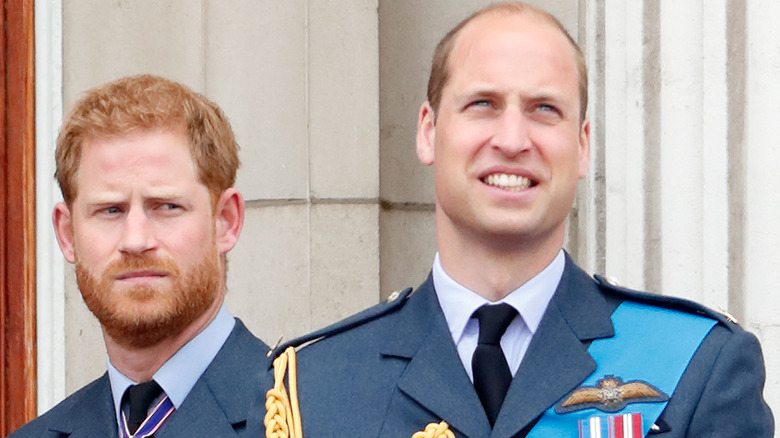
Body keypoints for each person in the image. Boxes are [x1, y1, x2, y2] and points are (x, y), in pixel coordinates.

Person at [265, 3, 774, 437]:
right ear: (428, 131)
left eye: (544, 109)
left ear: (581, 146)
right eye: (483, 104)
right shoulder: (314, 385)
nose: (512, 139)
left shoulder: (696, 365)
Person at [12, 75, 271, 437]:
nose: (135, 240)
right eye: (110, 210)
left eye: (166, 206)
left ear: (225, 221)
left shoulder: (313, 420)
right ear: (68, 234)